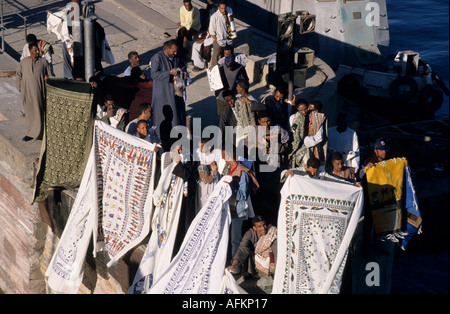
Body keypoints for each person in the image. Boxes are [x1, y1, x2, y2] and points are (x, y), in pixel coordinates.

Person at [220, 145, 258, 259]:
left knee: (235, 240)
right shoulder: (227, 169)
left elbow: (242, 195)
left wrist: (229, 186)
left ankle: (235, 265)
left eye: (223, 155)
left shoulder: (243, 172)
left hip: (237, 210)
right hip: (227, 208)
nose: (222, 157)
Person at [150, 39, 187, 148]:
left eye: (176, 51)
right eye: (173, 51)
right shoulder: (157, 57)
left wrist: (183, 72)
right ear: (166, 48)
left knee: (176, 112)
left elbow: (182, 65)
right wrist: (169, 73)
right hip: (162, 92)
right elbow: (154, 74)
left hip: (175, 90)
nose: (175, 54)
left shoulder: (176, 56)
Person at [16, 41, 52, 141]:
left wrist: (47, 79)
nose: (37, 52)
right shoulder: (23, 62)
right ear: (30, 51)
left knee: (39, 112)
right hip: (27, 92)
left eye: (38, 50)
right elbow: (18, 76)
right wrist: (21, 88)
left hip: (39, 91)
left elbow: (51, 76)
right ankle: (30, 133)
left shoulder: (43, 62)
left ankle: (40, 134)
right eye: (35, 50)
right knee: (29, 112)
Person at [194, 137, 222, 212]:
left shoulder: (217, 153)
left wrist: (212, 175)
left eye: (202, 147)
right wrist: (198, 173)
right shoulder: (197, 153)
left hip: (213, 184)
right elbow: (195, 167)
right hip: (202, 185)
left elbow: (221, 167)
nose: (200, 149)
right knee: (202, 206)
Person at [208, 1, 234, 68]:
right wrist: (217, 40)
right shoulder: (214, 17)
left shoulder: (228, 13)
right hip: (218, 40)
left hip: (227, 40)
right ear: (218, 8)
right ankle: (214, 69)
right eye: (222, 8)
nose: (223, 10)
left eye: (224, 8)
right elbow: (212, 31)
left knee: (229, 55)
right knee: (215, 56)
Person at [287, 98, 309, 168]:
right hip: (296, 145)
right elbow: (293, 132)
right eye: (301, 110)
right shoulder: (293, 118)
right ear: (297, 109)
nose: (304, 112)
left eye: (305, 109)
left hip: (307, 144)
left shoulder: (311, 117)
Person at [305, 100, 328, 166]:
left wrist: (305, 141)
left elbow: (319, 138)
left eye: (310, 110)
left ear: (317, 111)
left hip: (313, 149)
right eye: (308, 109)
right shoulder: (306, 118)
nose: (308, 111)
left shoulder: (320, 120)